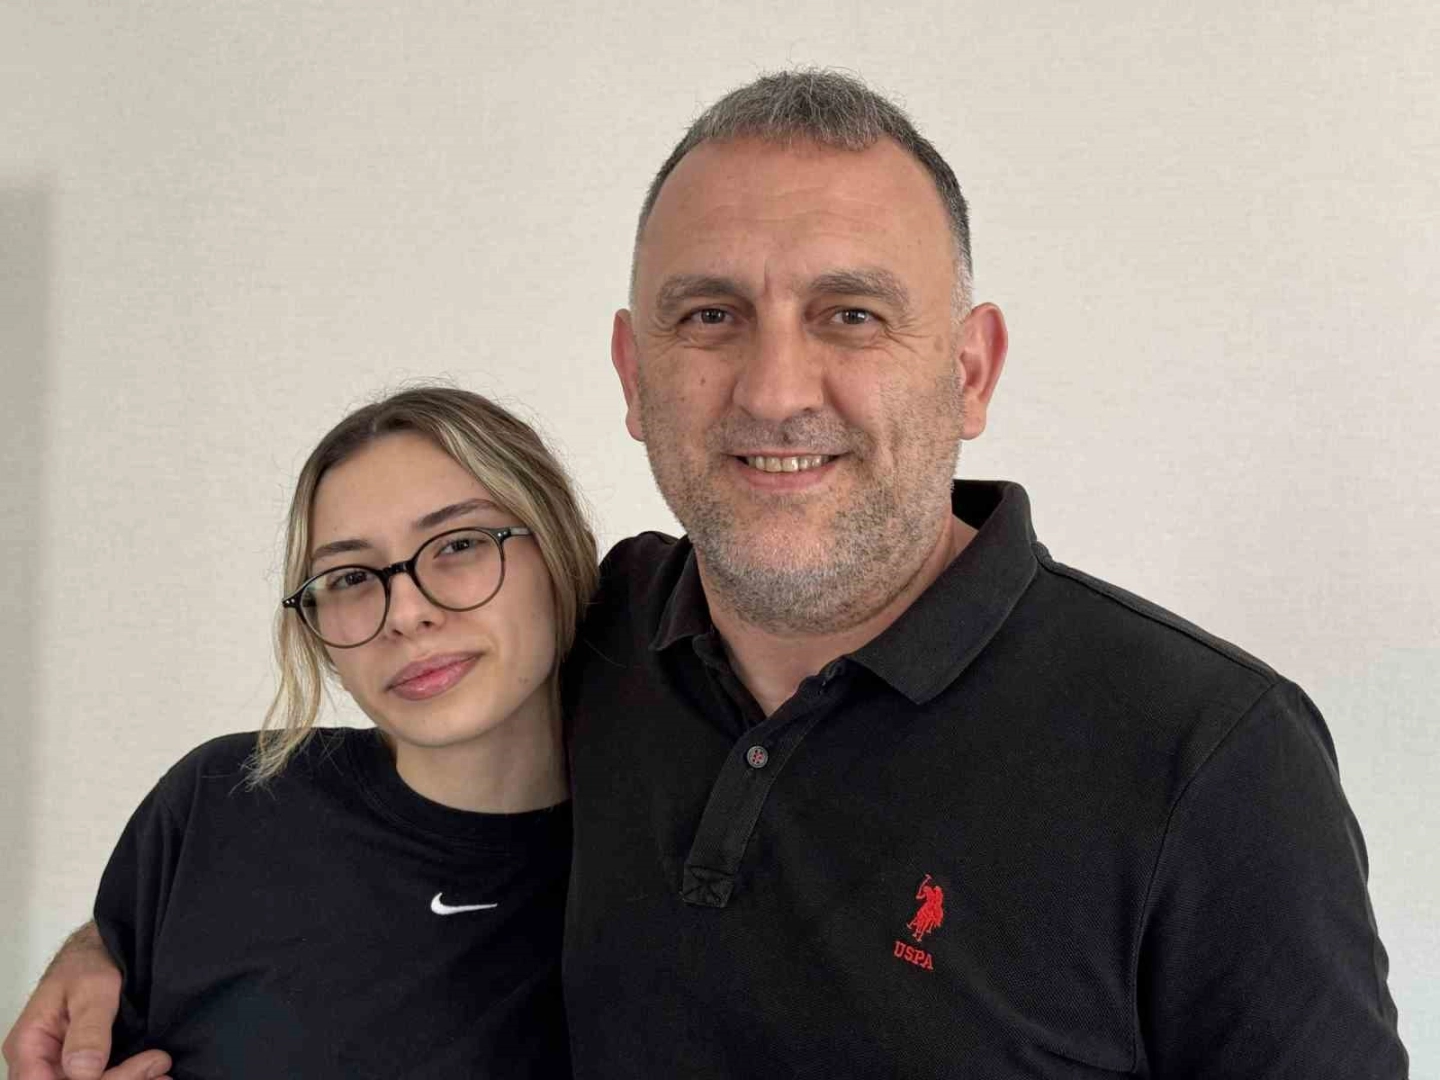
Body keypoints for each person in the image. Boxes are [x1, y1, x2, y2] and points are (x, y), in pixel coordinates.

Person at [7, 70, 1409, 1080]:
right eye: (710, 317)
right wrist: (117, 952)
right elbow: (363, 839)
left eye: (849, 313)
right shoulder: (606, 635)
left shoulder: (1206, 757)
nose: (775, 388)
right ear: (633, 375)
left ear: (971, 370)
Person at [3, 386, 596, 1079]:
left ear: (562, 549)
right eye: (350, 577)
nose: (405, 612)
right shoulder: (221, 803)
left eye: (459, 544)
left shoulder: (658, 857)